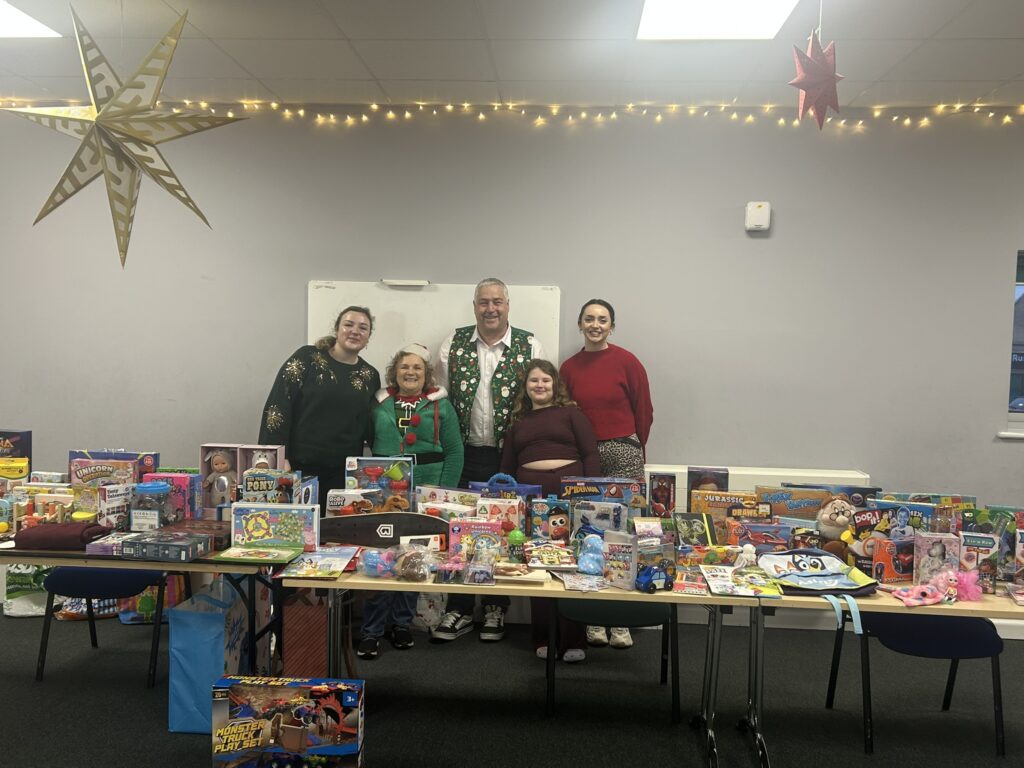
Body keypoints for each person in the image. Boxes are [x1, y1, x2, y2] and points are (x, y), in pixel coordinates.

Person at [433, 278, 544, 643]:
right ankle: (460, 607)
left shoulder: (529, 344)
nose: (490, 308)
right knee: (459, 529)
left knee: (502, 530)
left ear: (508, 305)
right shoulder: (454, 342)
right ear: (474, 306)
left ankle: (496, 607)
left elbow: (537, 395)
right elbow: (444, 399)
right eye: (484, 302)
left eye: (497, 301)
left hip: (508, 454)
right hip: (464, 452)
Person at [357, 343, 464, 659]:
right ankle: (372, 630)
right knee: (380, 557)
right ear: (395, 371)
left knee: (414, 557)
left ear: (426, 373)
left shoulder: (441, 407)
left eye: (417, 368)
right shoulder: (378, 404)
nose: (411, 372)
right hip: (384, 491)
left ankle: (402, 624)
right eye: (405, 367)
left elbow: (455, 452)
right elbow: (362, 439)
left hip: (426, 490)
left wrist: (442, 496)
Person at [560, 299, 653, 650]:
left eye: (602, 320)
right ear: (580, 324)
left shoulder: (627, 361)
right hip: (585, 455)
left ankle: (621, 619)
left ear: (611, 326)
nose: (595, 325)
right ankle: (594, 619)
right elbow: (564, 411)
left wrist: (634, 448)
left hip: (624, 452)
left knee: (625, 533)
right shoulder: (568, 367)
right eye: (589, 319)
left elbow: (644, 410)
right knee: (589, 533)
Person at [500, 359, 600, 662]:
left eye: (545, 380)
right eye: (533, 381)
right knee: (538, 564)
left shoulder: (572, 414)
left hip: (572, 498)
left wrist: (592, 498)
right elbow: (506, 467)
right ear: (525, 387)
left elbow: (590, 454)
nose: (539, 385)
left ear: (555, 385)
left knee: (573, 565)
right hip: (532, 501)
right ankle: (542, 637)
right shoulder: (518, 421)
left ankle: (574, 640)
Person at [259, 306, 380, 514]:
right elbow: (278, 406)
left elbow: (371, 424)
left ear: (368, 336)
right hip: (297, 467)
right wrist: (277, 456)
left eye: (363, 328)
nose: (355, 331)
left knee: (335, 535)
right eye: (348, 324)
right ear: (336, 329)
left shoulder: (370, 375)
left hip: (344, 474)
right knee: (293, 529)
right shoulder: (307, 358)